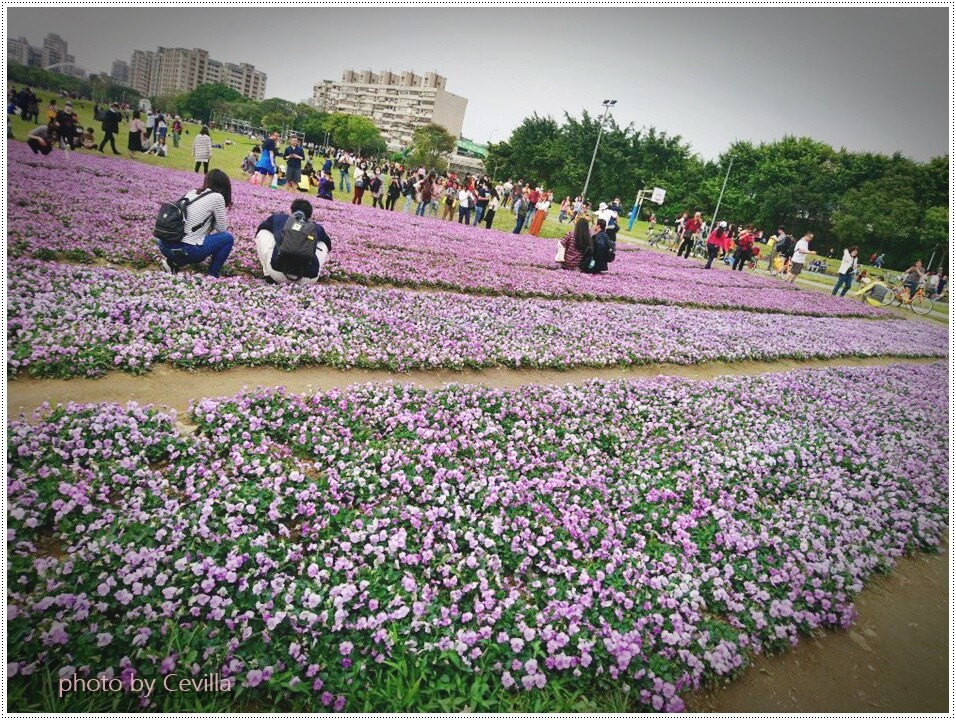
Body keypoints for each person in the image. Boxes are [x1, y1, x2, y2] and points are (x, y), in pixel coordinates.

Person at [156, 169, 234, 278]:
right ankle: (213, 275)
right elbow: (222, 228)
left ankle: (172, 263)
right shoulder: (217, 197)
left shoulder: (192, 192)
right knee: (227, 238)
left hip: (163, 245)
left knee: (195, 239)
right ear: (225, 186)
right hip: (186, 250)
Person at [255, 198, 332, 285]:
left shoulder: (279, 218)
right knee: (322, 243)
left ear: (291, 210)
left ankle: (267, 274)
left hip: (276, 272)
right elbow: (328, 245)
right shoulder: (316, 227)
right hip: (309, 278)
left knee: (263, 232)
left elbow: (260, 228)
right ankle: (313, 268)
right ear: (309, 215)